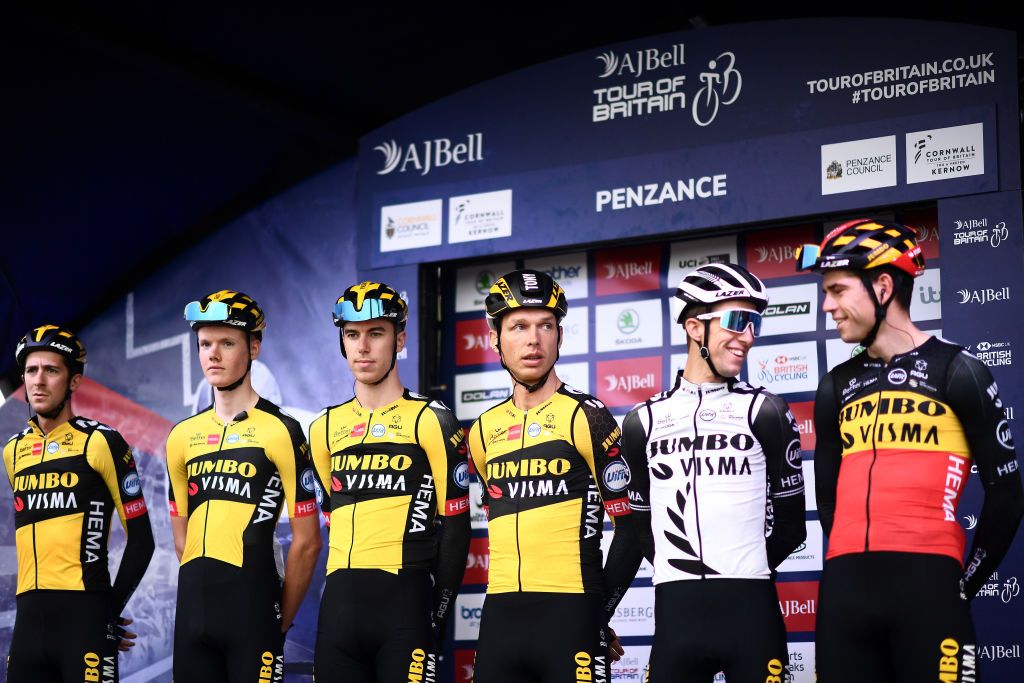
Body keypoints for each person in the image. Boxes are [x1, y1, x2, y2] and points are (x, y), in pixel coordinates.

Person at [796, 218, 1024, 681]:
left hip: (929, 590)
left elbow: (1007, 494)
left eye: (838, 290)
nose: (827, 305)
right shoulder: (835, 384)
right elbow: (828, 497)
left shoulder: (958, 371)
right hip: (844, 591)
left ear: (882, 287)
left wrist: (964, 582)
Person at [619, 263, 806, 682]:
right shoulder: (642, 421)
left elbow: (793, 529)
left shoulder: (766, 411)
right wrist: (678, 566)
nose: (748, 337)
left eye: (755, 324)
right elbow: (637, 531)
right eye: (738, 322)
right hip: (675, 619)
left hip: (751, 614)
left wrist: (741, 570)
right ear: (694, 328)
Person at [467, 269, 638, 683]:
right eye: (519, 326)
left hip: (572, 615)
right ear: (495, 339)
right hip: (500, 620)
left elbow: (633, 532)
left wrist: (598, 613)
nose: (533, 339)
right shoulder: (481, 431)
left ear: (560, 336)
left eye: (546, 325)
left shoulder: (587, 415)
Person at [309, 281, 471, 682]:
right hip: (339, 614)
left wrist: (436, 614)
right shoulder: (323, 427)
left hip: (406, 608)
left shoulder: (432, 418)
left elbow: (456, 527)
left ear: (399, 339)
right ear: (342, 342)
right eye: (352, 335)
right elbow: (330, 513)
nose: (363, 347)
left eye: (376, 333)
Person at [165, 290, 322, 682]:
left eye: (226, 343)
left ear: (254, 347)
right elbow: (182, 539)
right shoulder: (181, 436)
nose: (212, 355)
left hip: (253, 612)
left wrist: (278, 619)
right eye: (204, 344)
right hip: (193, 615)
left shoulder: (282, 430)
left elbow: (308, 542)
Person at [3, 324, 154, 682]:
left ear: (73, 381)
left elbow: (143, 539)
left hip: (84, 617)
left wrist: (108, 611)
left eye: (51, 370)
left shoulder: (102, 442)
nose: (38, 381)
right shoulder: (13, 451)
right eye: (31, 371)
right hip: (28, 624)